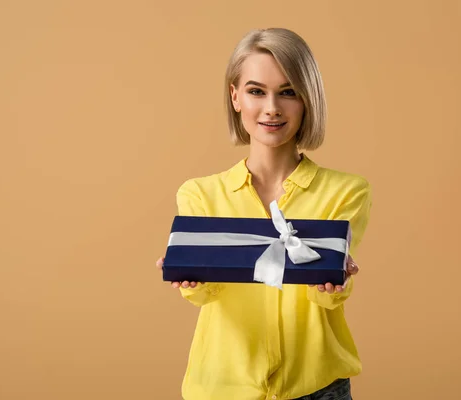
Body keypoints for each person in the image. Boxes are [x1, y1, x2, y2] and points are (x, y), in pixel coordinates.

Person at [156, 27, 372, 400]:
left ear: (307, 100)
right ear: (235, 96)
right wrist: (191, 280)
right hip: (222, 388)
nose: (272, 107)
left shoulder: (346, 191)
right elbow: (209, 296)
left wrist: (335, 285)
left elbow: (324, 296)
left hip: (317, 387)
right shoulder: (199, 194)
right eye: (257, 91)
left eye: (288, 92)